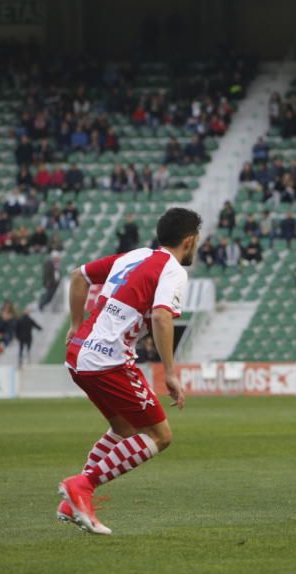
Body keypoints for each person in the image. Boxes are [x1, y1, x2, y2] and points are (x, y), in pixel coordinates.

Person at [57, 208, 201, 535]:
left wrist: (76, 324)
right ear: (189, 240)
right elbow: (163, 317)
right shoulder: (173, 271)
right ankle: (82, 485)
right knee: (160, 436)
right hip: (108, 360)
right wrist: (170, 372)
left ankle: (72, 500)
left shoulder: (136, 255)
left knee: (123, 427)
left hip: (78, 353)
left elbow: (79, 276)